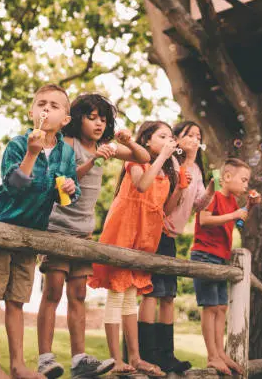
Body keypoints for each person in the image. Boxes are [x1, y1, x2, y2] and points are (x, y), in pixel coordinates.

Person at [37, 94, 150, 379]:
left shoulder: (104, 147)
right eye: (92, 117)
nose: (99, 123)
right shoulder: (68, 144)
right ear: (77, 119)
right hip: (58, 228)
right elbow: (65, 175)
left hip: (83, 233)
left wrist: (127, 142)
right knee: (53, 291)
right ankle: (45, 359)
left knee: (78, 294)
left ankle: (79, 360)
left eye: (103, 118)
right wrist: (93, 160)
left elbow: (143, 157)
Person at [0, 84, 79, 379]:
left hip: (30, 235)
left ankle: (18, 365)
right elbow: (14, 186)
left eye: (54, 106)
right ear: (31, 112)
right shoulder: (19, 145)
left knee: (17, 301)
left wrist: (70, 188)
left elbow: (66, 195)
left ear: (65, 120)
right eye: (41, 103)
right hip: (1, 227)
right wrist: (32, 154)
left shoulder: (66, 154)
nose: (46, 109)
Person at [88, 121, 185, 377]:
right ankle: (116, 359)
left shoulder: (164, 172)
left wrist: (181, 188)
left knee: (131, 296)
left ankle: (135, 357)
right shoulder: (135, 160)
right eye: (162, 136)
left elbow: (165, 208)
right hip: (125, 229)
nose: (168, 140)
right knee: (117, 294)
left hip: (145, 235)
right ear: (146, 141)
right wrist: (163, 156)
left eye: (170, 137)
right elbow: (142, 186)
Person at [138, 120, 215, 373]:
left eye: (198, 135)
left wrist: (212, 190)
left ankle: (166, 355)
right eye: (189, 134)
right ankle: (147, 354)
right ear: (177, 139)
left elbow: (198, 205)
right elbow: (169, 201)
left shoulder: (198, 171)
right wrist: (185, 171)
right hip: (155, 231)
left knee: (168, 295)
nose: (195, 138)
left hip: (170, 236)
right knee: (152, 293)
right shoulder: (170, 163)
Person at [190, 157, 258, 376]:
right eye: (244, 179)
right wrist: (235, 213)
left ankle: (221, 352)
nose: (247, 185)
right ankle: (212, 356)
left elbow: (237, 223)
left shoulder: (232, 202)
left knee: (220, 308)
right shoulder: (214, 195)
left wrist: (248, 207)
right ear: (227, 177)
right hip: (204, 255)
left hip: (220, 257)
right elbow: (204, 220)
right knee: (210, 307)